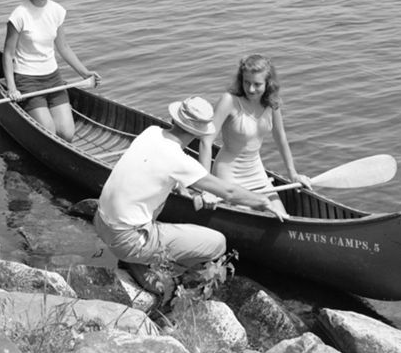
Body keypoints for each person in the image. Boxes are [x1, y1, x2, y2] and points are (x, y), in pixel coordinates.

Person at [94, 96, 283, 297]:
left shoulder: (151, 132)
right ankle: (158, 272)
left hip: (102, 222)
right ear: (198, 133)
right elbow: (228, 192)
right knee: (218, 242)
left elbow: (155, 171)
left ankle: (137, 258)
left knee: (162, 196)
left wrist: (180, 188)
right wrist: (263, 201)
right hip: (127, 240)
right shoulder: (178, 160)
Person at [198, 54, 311, 217]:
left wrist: (293, 174)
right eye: (246, 82)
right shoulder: (229, 101)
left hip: (256, 172)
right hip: (229, 174)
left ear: (268, 83)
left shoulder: (272, 103)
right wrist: (206, 187)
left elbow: (281, 138)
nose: (250, 89)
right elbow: (206, 141)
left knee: (282, 216)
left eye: (257, 84)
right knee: (257, 217)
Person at [2, 0, 100, 142]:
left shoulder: (57, 11)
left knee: (66, 134)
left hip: (53, 79)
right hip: (27, 80)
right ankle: (28, 117)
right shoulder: (19, 14)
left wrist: (85, 72)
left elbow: (63, 47)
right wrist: (12, 88)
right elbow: (8, 54)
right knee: (49, 134)